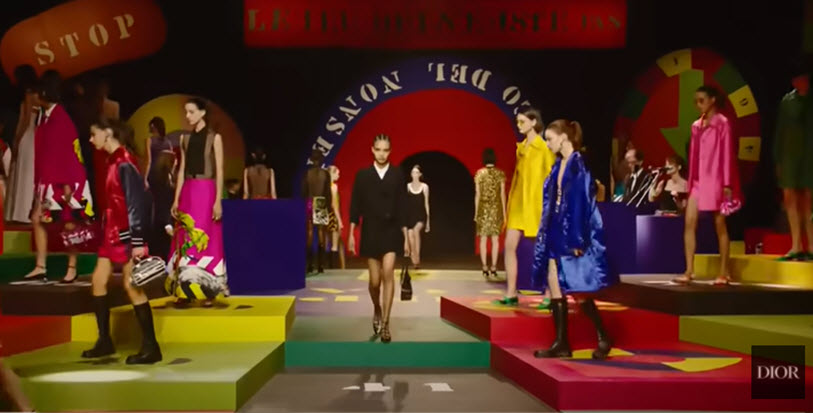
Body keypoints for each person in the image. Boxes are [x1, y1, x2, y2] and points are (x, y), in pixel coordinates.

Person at [531, 119, 616, 360]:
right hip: (554, 228)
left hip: (570, 231)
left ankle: (603, 335)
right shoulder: (559, 165)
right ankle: (561, 343)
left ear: (563, 137)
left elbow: (581, 204)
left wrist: (577, 239)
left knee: (578, 288)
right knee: (553, 281)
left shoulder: (578, 165)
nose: (548, 144)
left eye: (550, 139)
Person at [81, 118, 161, 364]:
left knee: (132, 285)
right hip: (111, 233)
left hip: (125, 235)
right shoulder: (112, 161)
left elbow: (136, 204)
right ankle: (105, 340)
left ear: (107, 133)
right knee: (98, 281)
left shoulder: (125, 162)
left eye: (93, 134)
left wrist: (137, 241)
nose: (90, 140)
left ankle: (151, 347)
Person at [22, 70, 94, 283]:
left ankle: (72, 268)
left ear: (43, 93)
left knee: (69, 224)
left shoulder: (61, 119)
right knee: (37, 219)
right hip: (48, 181)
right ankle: (40, 266)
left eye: (35, 93)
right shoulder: (45, 117)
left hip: (66, 181)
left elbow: (69, 155)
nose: (32, 97)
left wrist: (67, 187)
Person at [674, 85, 742, 285]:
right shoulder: (696, 125)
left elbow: (727, 153)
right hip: (698, 180)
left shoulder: (722, 123)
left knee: (720, 224)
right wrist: (690, 182)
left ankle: (723, 272)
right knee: (689, 222)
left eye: (701, 100)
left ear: (712, 100)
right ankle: (689, 270)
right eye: (696, 101)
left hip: (717, 180)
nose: (698, 104)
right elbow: (693, 156)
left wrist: (727, 183)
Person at [348, 134, 409, 343]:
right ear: (372, 150)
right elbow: (355, 205)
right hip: (370, 231)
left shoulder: (397, 174)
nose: (382, 154)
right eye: (378, 149)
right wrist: (351, 233)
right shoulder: (363, 175)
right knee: (374, 281)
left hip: (391, 230)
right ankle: (377, 308)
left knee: (388, 273)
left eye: (385, 150)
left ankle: (386, 324)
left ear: (390, 151)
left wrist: (406, 236)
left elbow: (402, 205)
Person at [168, 97, 228, 306]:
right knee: (185, 238)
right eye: (186, 112)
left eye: (191, 112)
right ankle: (184, 291)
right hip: (188, 191)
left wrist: (218, 201)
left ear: (202, 113)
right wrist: (176, 199)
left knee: (206, 238)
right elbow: (182, 170)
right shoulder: (184, 139)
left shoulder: (214, 138)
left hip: (207, 190)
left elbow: (220, 171)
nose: (188, 116)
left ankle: (208, 291)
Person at [496, 106, 555, 306]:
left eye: (522, 121)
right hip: (519, 204)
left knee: (543, 250)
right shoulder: (521, 148)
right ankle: (511, 293)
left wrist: (551, 205)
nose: (519, 125)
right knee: (509, 246)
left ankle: (550, 293)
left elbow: (552, 177)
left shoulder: (544, 148)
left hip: (537, 205)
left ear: (533, 122)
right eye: (518, 122)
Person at [773, 62, 813, 261]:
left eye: (803, 79)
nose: (799, 82)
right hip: (789, 155)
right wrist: (778, 159)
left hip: (809, 156)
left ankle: (811, 246)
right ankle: (796, 245)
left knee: (807, 200)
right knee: (790, 198)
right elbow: (780, 131)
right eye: (796, 80)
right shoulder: (787, 101)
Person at [4, 65, 38, 224]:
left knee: (22, 171)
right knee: (30, 172)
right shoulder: (40, 94)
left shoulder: (28, 94)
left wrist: (17, 140)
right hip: (36, 135)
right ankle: (27, 211)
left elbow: (24, 120)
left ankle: (20, 212)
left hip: (26, 135)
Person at [474, 148, 507, 278]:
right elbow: (502, 194)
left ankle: (484, 266)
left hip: (483, 209)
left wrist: (476, 212)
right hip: (496, 209)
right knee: (495, 239)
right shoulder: (500, 174)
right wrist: (504, 212)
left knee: (482, 239)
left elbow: (477, 195)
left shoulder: (479, 174)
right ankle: (494, 266)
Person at [302, 149, 332, 273]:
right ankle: (321, 265)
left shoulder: (307, 174)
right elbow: (328, 193)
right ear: (321, 160)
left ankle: (309, 265)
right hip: (321, 202)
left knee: (309, 233)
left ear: (312, 160)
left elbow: (304, 192)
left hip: (310, 201)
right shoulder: (325, 174)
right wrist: (328, 208)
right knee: (321, 233)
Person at [405, 165, 430, 269]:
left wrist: (428, 221)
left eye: (416, 172)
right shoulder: (408, 186)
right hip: (410, 216)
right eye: (412, 172)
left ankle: (417, 257)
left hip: (421, 215)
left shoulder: (424, 187)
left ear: (420, 174)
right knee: (410, 235)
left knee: (416, 230)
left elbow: (426, 204)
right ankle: (414, 258)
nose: (414, 174)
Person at [144, 117, 172, 186]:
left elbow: (148, 161)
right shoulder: (168, 142)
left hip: (153, 174)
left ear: (153, 126)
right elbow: (171, 161)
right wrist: (170, 176)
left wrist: (145, 178)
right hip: (164, 175)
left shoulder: (149, 140)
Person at [327, 165, 345, 268]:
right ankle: (332, 267)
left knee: (332, 242)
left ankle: (340, 266)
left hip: (326, 216)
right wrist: (339, 220)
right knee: (334, 245)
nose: (339, 176)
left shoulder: (324, 186)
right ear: (332, 174)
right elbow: (334, 205)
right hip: (333, 216)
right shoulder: (333, 187)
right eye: (337, 173)